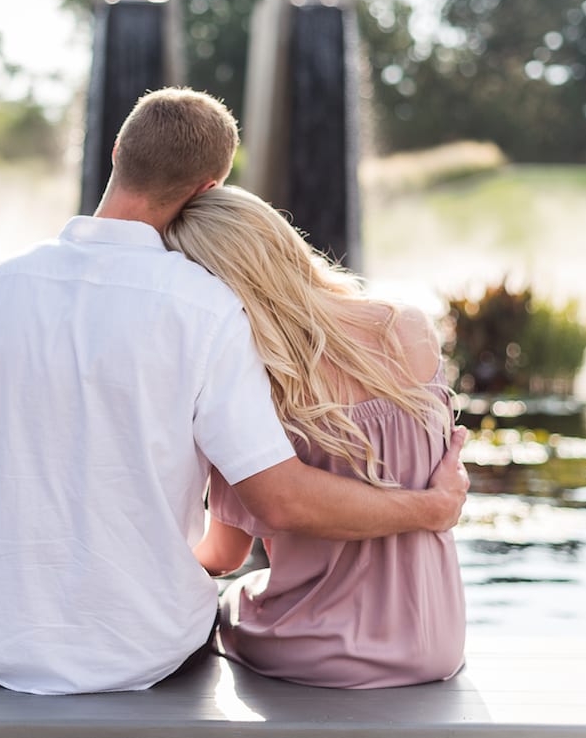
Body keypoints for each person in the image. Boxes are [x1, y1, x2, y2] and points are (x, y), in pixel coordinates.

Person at [0, 87, 468, 695]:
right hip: (150, 650)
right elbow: (278, 502)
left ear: (117, 150)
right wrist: (429, 508)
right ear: (209, 188)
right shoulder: (208, 310)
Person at [163, 185, 466, 689]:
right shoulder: (406, 325)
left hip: (323, 646)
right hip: (436, 638)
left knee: (226, 606)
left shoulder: (255, 385)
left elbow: (224, 555)